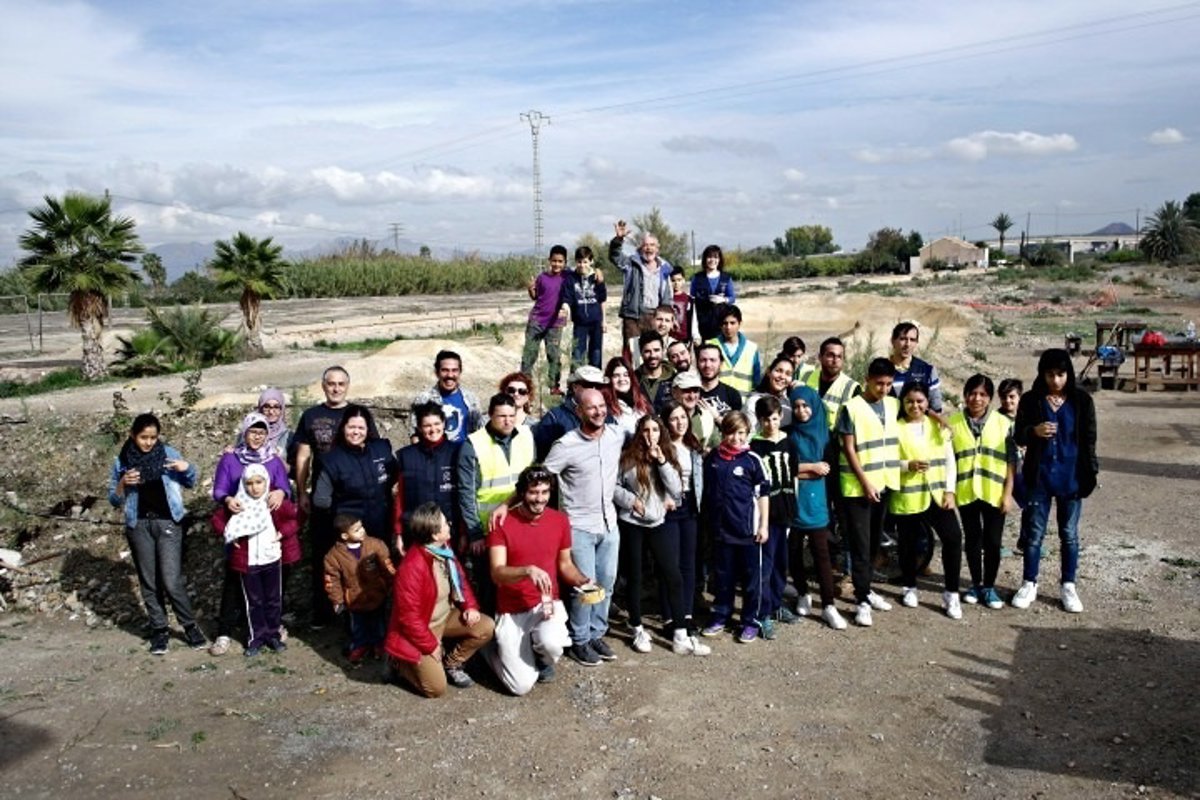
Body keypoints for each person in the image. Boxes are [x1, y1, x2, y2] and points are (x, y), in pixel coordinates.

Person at [541, 388, 637, 666]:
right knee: (585, 586)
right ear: (579, 411)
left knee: (606, 583)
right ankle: (579, 639)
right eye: (591, 407)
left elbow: (642, 439)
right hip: (579, 527)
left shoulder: (616, 435)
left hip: (609, 524)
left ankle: (597, 633)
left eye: (602, 406)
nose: (598, 412)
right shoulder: (566, 445)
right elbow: (542, 477)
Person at [486, 466, 594, 694]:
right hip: (511, 609)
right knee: (520, 686)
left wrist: (583, 581)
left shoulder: (560, 520)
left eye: (545, 492)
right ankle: (489, 649)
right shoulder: (501, 523)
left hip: (546, 603)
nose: (540, 499)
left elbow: (565, 565)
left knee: (553, 643)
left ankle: (541, 656)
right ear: (521, 493)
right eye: (533, 492)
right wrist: (527, 571)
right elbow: (497, 572)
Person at [108, 413, 205, 655]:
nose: (149, 442)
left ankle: (190, 626)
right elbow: (113, 499)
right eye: (143, 437)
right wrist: (122, 483)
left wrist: (187, 468)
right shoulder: (122, 460)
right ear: (133, 435)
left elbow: (191, 481)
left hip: (168, 523)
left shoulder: (168, 453)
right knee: (149, 581)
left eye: (153, 437)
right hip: (138, 525)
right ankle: (159, 630)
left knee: (171, 580)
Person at [1011, 349, 1098, 614]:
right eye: (1050, 375)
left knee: (1069, 535)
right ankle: (1029, 582)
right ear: (1042, 374)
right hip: (1039, 477)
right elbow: (1019, 435)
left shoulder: (1082, 401)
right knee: (1034, 534)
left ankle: (1068, 585)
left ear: (1068, 374)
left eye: (1061, 374)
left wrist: (1091, 472)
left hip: (1071, 477)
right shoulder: (1031, 400)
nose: (1056, 380)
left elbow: (1089, 439)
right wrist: (1034, 431)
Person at [292, 366, 377, 626]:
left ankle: (363, 611)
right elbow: (303, 456)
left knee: (360, 554)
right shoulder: (311, 416)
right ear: (323, 385)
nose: (336, 388)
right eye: (331, 383)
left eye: (341, 384)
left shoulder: (359, 415)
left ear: (348, 386)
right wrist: (302, 491)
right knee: (324, 555)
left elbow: (372, 451)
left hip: (355, 498)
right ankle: (325, 613)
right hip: (324, 499)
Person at [617, 415, 709, 656]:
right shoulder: (627, 457)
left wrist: (661, 461)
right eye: (646, 430)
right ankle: (636, 627)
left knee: (673, 575)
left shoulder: (667, 454)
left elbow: (676, 489)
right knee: (635, 576)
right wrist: (630, 500)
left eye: (655, 430)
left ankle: (680, 633)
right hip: (632, 521)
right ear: (640, 432)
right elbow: (614, 486)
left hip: (658, 521)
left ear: (661, 432)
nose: (651, 435)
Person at [384, 503, 495, 697]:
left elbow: (460, 579)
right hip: (423, 629)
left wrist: (469, 606)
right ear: (435, 535)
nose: (449, 524)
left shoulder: (443, 550)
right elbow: (409, 619)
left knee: (485, 626)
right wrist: (430, 645)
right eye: (445, 523)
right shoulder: (412, 568)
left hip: (444, 617)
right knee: (435, 689)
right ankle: (399, 663)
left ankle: (452, 663)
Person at [210, 412, 296, 656]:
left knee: (271, 590)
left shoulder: (273, 459)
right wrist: (228, 500)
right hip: (241, 530)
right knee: (236, 582)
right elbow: (219, 489)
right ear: (244, 432)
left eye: (261, 432)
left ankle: (271, 630)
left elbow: (286, 490)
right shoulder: (231, 458)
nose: (257, 437)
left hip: (268, 535)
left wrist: (281, 493)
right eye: (252, 432)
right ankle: (229, 632)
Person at [890, 382, 964, 619]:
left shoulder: (938, 426)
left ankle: (951, 593)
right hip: (908, 495)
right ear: (903, 403)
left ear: (927, 402)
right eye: (910, 401)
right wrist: (907, 465)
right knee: (908, 543)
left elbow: (950, 461)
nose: (915, 406)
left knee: (953, 538)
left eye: (920, 401)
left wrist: (950, 491)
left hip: (937, 494)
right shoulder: (895, 428)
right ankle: (909, 586)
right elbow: (887, 461)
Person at [457, 393, 535, 613]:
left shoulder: (526, 436)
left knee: (521, 583)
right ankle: (491, 628)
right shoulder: (473, 445)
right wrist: (475, 534)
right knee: (490, 587)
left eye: (511, 415)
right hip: (488, 530)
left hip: (521, 525)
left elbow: (533, 479)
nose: (508, 421)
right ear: (490, 415)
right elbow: (466, 493)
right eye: (502, 416)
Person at [838, 357, 899, 627]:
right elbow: (849, 448)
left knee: (874, 543)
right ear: (867, 380)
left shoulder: (893, 404)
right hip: (858, 488)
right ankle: (861, 600)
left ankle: (867, 588)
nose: (884, 389)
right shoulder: (851, 408)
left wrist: (938, 418)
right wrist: (864, 482)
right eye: (879, 384)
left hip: (883, 483)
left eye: (888, 384)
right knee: (861, 546)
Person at [700, 412, 771, 643]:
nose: (736, 438)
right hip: (721, 532)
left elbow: (763, 495)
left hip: (747, 533)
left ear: (747, 433)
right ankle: (720, 615)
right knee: (723, 578)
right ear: (723, 433)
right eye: (731, 432)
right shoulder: (713, 458)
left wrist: (763, 525)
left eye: (741, 433)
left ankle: (750, 621)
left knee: (751, 581)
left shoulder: (752, 460)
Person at [949, 374, 1016, 609]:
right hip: (966, 491)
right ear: (965, 395)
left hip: (993, 492)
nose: (977, 399)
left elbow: (1011, 462)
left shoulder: (1003, 423)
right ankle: (976, 584)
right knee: (973, 540)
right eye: (973, 393)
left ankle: (989, 586)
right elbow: (949, 460)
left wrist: (1007, 494)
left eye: (983, 394)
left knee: (993, 542)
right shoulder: (953, 423)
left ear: (990, 398)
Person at [784, 386, 847, 630]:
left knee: (822, 555)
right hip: (794, 503)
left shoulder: (825, 435)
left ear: (815, 406)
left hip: (818, 503)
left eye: (805, 405)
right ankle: (802, 593)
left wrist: (805, 471)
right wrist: (811, 468)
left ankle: (829, 605)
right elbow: (786, 469)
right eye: (796, 406)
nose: (801, 411)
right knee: (794, 552)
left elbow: (828, 470)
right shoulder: (789, 435)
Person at [313, 405, 397, 546]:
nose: (356, 432)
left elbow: (396, 475)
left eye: (361, 428)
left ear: (368, 429)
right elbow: (321, 501)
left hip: (381, 527)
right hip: (350, 534)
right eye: (351, 427)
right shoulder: (331, 460)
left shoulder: (381, 449)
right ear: (343, 428)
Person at [749, 396, 797, 634]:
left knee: (780, 562)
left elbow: (794, 475)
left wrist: (794, 505)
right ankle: (762, 612)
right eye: (766, 420)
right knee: (764, 566)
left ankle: (777, 604)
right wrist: (759, 520)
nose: (771, 424)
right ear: (759, 420)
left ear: (781, 417)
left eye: (775, 418)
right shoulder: (755, 446)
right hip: (766, 514)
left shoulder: (789, 441)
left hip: (785, 510)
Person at [325, 513, 396, 663]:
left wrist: (392, 584)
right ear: (345, 536)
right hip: (354, 599)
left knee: (378, 623)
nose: (362, 530)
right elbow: (332, 580)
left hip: (377, 594)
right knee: (358, 626)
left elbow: (387, 567)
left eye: (362, 527)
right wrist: (337, 600)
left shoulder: (375, 545)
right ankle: (359, 646)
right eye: (357, 530)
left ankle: (379, 645)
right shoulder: (334, 556)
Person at [660, 399, 705, 635]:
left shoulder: (693, 445)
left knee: (689, 563)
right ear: (666, 422)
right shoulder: (661, 447)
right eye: (674, 418)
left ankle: (686, 614)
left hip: (691, 506)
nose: (680, 423)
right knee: (670, 564)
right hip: (669, 507)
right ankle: (669, 617)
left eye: (683, 417)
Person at [393, 401, 461, 554]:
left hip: (449, 532)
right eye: (427, 425)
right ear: (419, 428)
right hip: (416, 532)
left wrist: (464, 533)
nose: (433, 429)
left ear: (444, 423)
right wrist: (399, 533)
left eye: (437, 423)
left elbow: (464, 495)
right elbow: (400, 499)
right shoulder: (406, 456)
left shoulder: (457, 452)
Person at [609, 220, 673, 366]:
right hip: (634, 318)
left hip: (655, 317)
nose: (649, 248)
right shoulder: (631, 264)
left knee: (654, 353)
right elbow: (615, 256)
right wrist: (618, 240)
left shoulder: (665, 268)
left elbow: (667, 296)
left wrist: (669, 316)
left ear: (657, 249)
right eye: (645, 245)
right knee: (633, 356)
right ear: (640, 248)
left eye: (652, 245)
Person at [520, 244, 570, 393]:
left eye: (560, 261)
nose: (557, 264)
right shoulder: (542, 277)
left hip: (555, 324)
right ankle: (524, 387)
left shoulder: (568, 277)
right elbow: (536, 297)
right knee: (529, 354)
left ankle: (554, 386)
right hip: (536, 321)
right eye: (554, 261)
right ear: (549, 260)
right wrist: (530, 289)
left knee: (554, 356)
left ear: (565, 262)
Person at [531, 365, 608, 460]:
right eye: (588, 385)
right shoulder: (554, 418)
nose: (594, 390)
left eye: (599, 386)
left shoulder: (608, 416)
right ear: (575, 387)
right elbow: (543, 455)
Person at [410, 350, 483, 444]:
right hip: (436, 452)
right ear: (437, 372)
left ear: (460, 372)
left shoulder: (471, 399)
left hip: (466, 452)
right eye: (445, 370)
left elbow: (479, 430)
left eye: (454, 370)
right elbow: (415, 435)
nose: (450, 375)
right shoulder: (424, 399)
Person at [562, 245, 607, 371]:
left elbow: (602, 300)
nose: (582, 265)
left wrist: (604, 321)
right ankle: (575, 381)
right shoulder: (571, 279)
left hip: (596, 322)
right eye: (579, 262)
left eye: (585, 262)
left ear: (591, 261)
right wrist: (566, 310)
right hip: (579, 323)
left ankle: (596, 380)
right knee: (577, 354)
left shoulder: (597, 278)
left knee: (596, 354)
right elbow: (567, 299)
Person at [888, 322, 945, 420]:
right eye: (903, 339)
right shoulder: (880, 370)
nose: (908, 344)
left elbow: (936, 408)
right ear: (893, 340)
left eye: (912, 340)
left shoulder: (927, 370)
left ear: (916, 343)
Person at [707, 305, 762, 399]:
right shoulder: (710, 345)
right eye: (725, 323)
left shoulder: (752, 348)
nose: (728, 327)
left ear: (740, 323)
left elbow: (756, 381)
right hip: (718, 402)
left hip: (743, 402)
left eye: (732, 323)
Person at [690, 244, 736, 344]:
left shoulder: (726, 278)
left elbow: (732, 297)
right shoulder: (697, 278)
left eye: (715, 257)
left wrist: (724, 300)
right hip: (702, 323)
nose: (712, 260)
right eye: (709, 257)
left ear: (719, 260)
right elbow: (692, 300)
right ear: (705, 259)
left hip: (721, 323)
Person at [602, 356, 651, 439]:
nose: (622, 379)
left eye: (626, 375)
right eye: (616, 376)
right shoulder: (606, 406)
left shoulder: (642, 401)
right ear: (609, 379)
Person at [745, 355, 795, 431]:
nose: (782, 376)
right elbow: (749, 434)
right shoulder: (754, 402)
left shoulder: (791, 402)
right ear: (769, 371)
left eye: (788, 374)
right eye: (778, 371)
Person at [695, 342, 743, 421]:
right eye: (703, 360)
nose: (708, 365)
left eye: (712, 360)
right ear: (697, 363)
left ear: (721, 364)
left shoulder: (732, 395)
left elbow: (737, 427)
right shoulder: (689, 394)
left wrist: (716, 417)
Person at [634, 331, 676, 408]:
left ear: (663, 350)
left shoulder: (675, 378)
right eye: (647, 351)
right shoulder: (633, 379)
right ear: (641, 353)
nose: (652, 355)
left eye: (656, 350)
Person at [255, 387, 291, 460]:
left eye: (276, 407)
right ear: (260, 408)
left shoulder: (289, 437)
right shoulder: (249, 433)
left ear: (282, 409)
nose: (271, 412)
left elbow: (295, 466)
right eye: (266, 407)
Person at [668, 266, 694, 346]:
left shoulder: (689, 299)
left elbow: (691, 319)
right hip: (669, 337)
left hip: (684, 337)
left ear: (683, 280)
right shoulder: (666, 298)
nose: (676, 283)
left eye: (679, 280)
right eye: (673, 280)